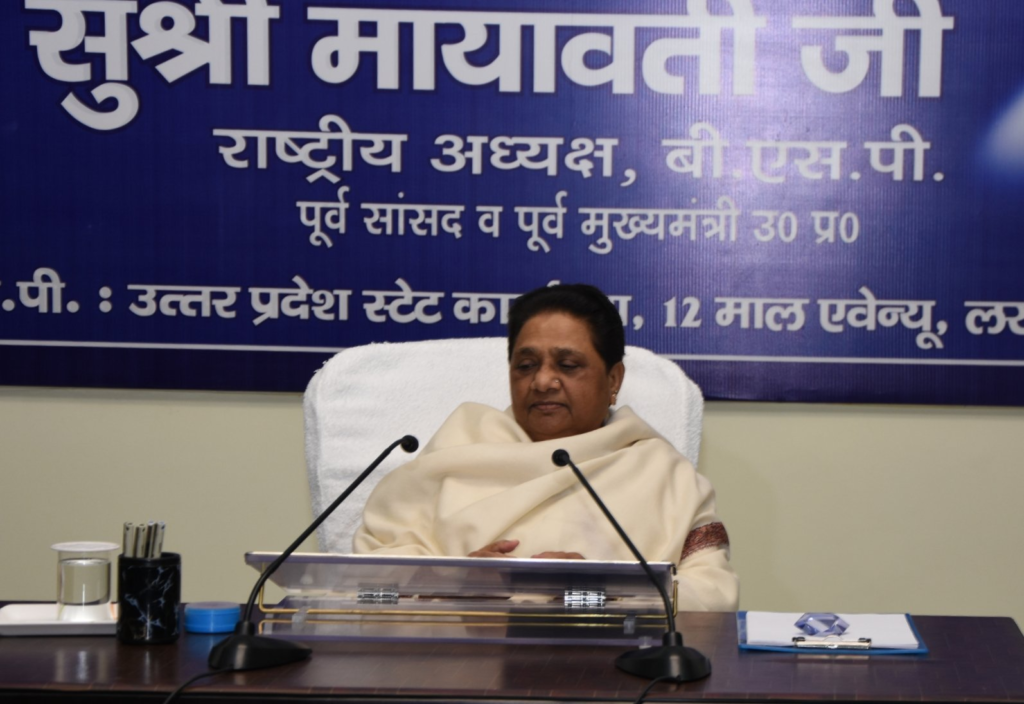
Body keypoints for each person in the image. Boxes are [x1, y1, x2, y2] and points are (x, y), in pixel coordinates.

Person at [353, 284, 738, 611]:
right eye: (525, 365)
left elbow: (713, 597)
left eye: (567, 365)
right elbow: (360, 589)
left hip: (611, 685)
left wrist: (598, 592)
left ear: (613, 379)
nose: (542, 382)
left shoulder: (663, 475)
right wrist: (453, 583)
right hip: (458, 676)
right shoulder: (457, 449)